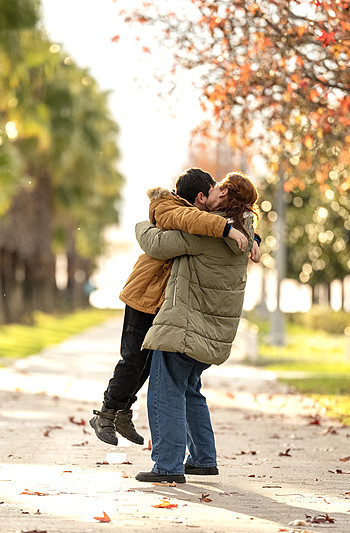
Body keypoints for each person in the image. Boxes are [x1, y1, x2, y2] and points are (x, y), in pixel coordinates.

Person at [89, 168, 259, 446]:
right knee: (133, 359)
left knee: (145, 363)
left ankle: (123, 412)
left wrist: (254, 238)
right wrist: (228, 230)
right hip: (144, 294)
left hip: (163, 300)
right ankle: (106, 414)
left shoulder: (205, 220)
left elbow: (235, 221)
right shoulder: (170, 207)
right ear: (201, 197)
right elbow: (186, 222)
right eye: (214, 189)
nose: (218, 193)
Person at [132, 172, 258, 483]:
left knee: (165, 391)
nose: (213, 192)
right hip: (214, 333)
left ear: (225, 195)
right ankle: (203, 459)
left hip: (185, 327)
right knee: (189, 389)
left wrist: (142, 224)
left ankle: (167, 465)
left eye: (219, 188)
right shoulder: (245, 234)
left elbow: (157, 244)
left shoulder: (207, 232)